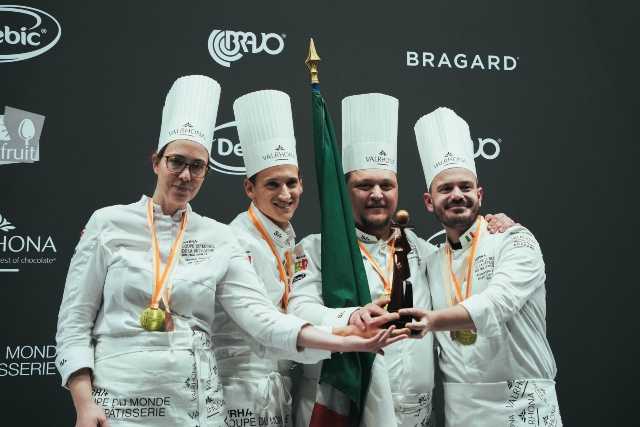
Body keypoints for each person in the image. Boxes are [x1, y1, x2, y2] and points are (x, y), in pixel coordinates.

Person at [55, 76, 405, 427]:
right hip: (120, 407)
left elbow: (263, 321)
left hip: (195, 410)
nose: (185, 175)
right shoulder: (108, 224)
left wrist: (347, 340)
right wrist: (84, 403)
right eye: (176, 161)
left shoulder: (218, 238)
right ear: (156, 162)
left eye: (197, 166)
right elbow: (74, 323)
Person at [288, 94, 514, 426]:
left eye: (386, 185)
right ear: (344, 190)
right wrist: (352, 316)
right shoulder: (317, 249)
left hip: (416, 412)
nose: (377, 194)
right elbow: (298, 311)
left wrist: (493, 222)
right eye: (364, 185)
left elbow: (464, 251)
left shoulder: (423, 251)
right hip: (345, 404)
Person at [212, 89, 398, 427]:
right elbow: (263, 323)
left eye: (291, 183)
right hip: (233, 391)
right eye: (272, 185)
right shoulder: (232, 240)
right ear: (249, 189)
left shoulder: (288, 241)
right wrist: (346, 335)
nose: (285, 195)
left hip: (279, 392)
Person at [401, 107, 562, 427]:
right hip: (463, 414)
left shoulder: (515, 240)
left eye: (464, 186)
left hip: (524, 410)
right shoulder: (430, 260)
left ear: (479, 194)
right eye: (445, 189)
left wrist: (432, 320)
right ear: (428, 202)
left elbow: (498, 302)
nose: (457, 195)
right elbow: (384, 236)